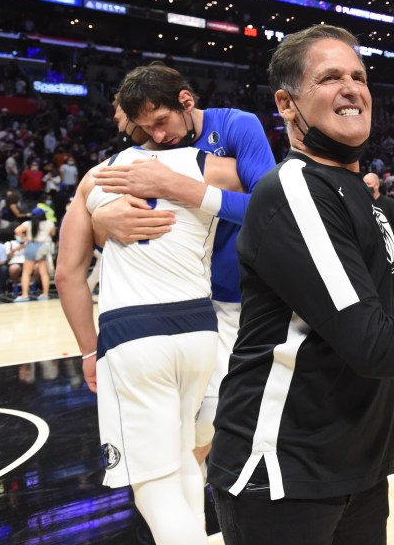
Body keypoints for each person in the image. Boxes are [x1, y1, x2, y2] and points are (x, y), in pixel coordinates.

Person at [207, 24, 394, 545]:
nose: (352, 87)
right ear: (287, 105)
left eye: (359, 76)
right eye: (329, 77)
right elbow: (371, 341)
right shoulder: (292, 190)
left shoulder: (367, 197)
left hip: (357, 463)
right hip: (285, 469)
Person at [56, 143, 242, 545]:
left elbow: (67, 275)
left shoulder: (97, 177)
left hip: (134, 333)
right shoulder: (214, 164)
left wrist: (90, 352)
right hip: (201, 327)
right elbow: (270, 193)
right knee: (185, 459)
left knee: (153, 486)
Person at [91, 65, 276, 463]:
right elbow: (96, 194)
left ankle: (191, 485)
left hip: (234, 294)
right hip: (174, 299)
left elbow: (269, 212)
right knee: (172, 416)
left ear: (186, 101)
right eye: (145, 127)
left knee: (213, 413)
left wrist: (181, 187)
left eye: (161, 122)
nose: (156, 135)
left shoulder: (237, 126)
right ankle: (182, 489)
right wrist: (98, 220)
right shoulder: (149, 141)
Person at [13, 208, 55, 302]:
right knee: (44, 272)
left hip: (31, 246)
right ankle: (45, 294)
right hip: (43, 247)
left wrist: (24, 238)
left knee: (26, 273)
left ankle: (24, 295)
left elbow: (17, 230)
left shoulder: (28, 223)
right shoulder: (49, 223)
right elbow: (53, 233)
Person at [363, 172, 394, 251]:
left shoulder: (389, 203)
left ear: (376, 185)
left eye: (368, 184)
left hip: (387, 250)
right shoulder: (361, 204)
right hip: (368, 251)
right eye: (364, 184)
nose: (365, 187)